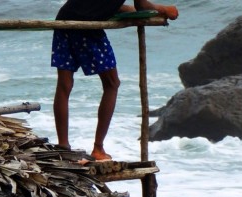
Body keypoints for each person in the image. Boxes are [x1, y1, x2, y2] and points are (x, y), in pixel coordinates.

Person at [52, 0, 178, 161]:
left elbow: (106, 5)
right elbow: (143, 6)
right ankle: (98, 148)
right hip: (86, 26)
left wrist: (131, 9)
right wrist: (164, 9)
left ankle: (63, 145)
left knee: (65, 85)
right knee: (112, 83)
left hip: (65, 19)